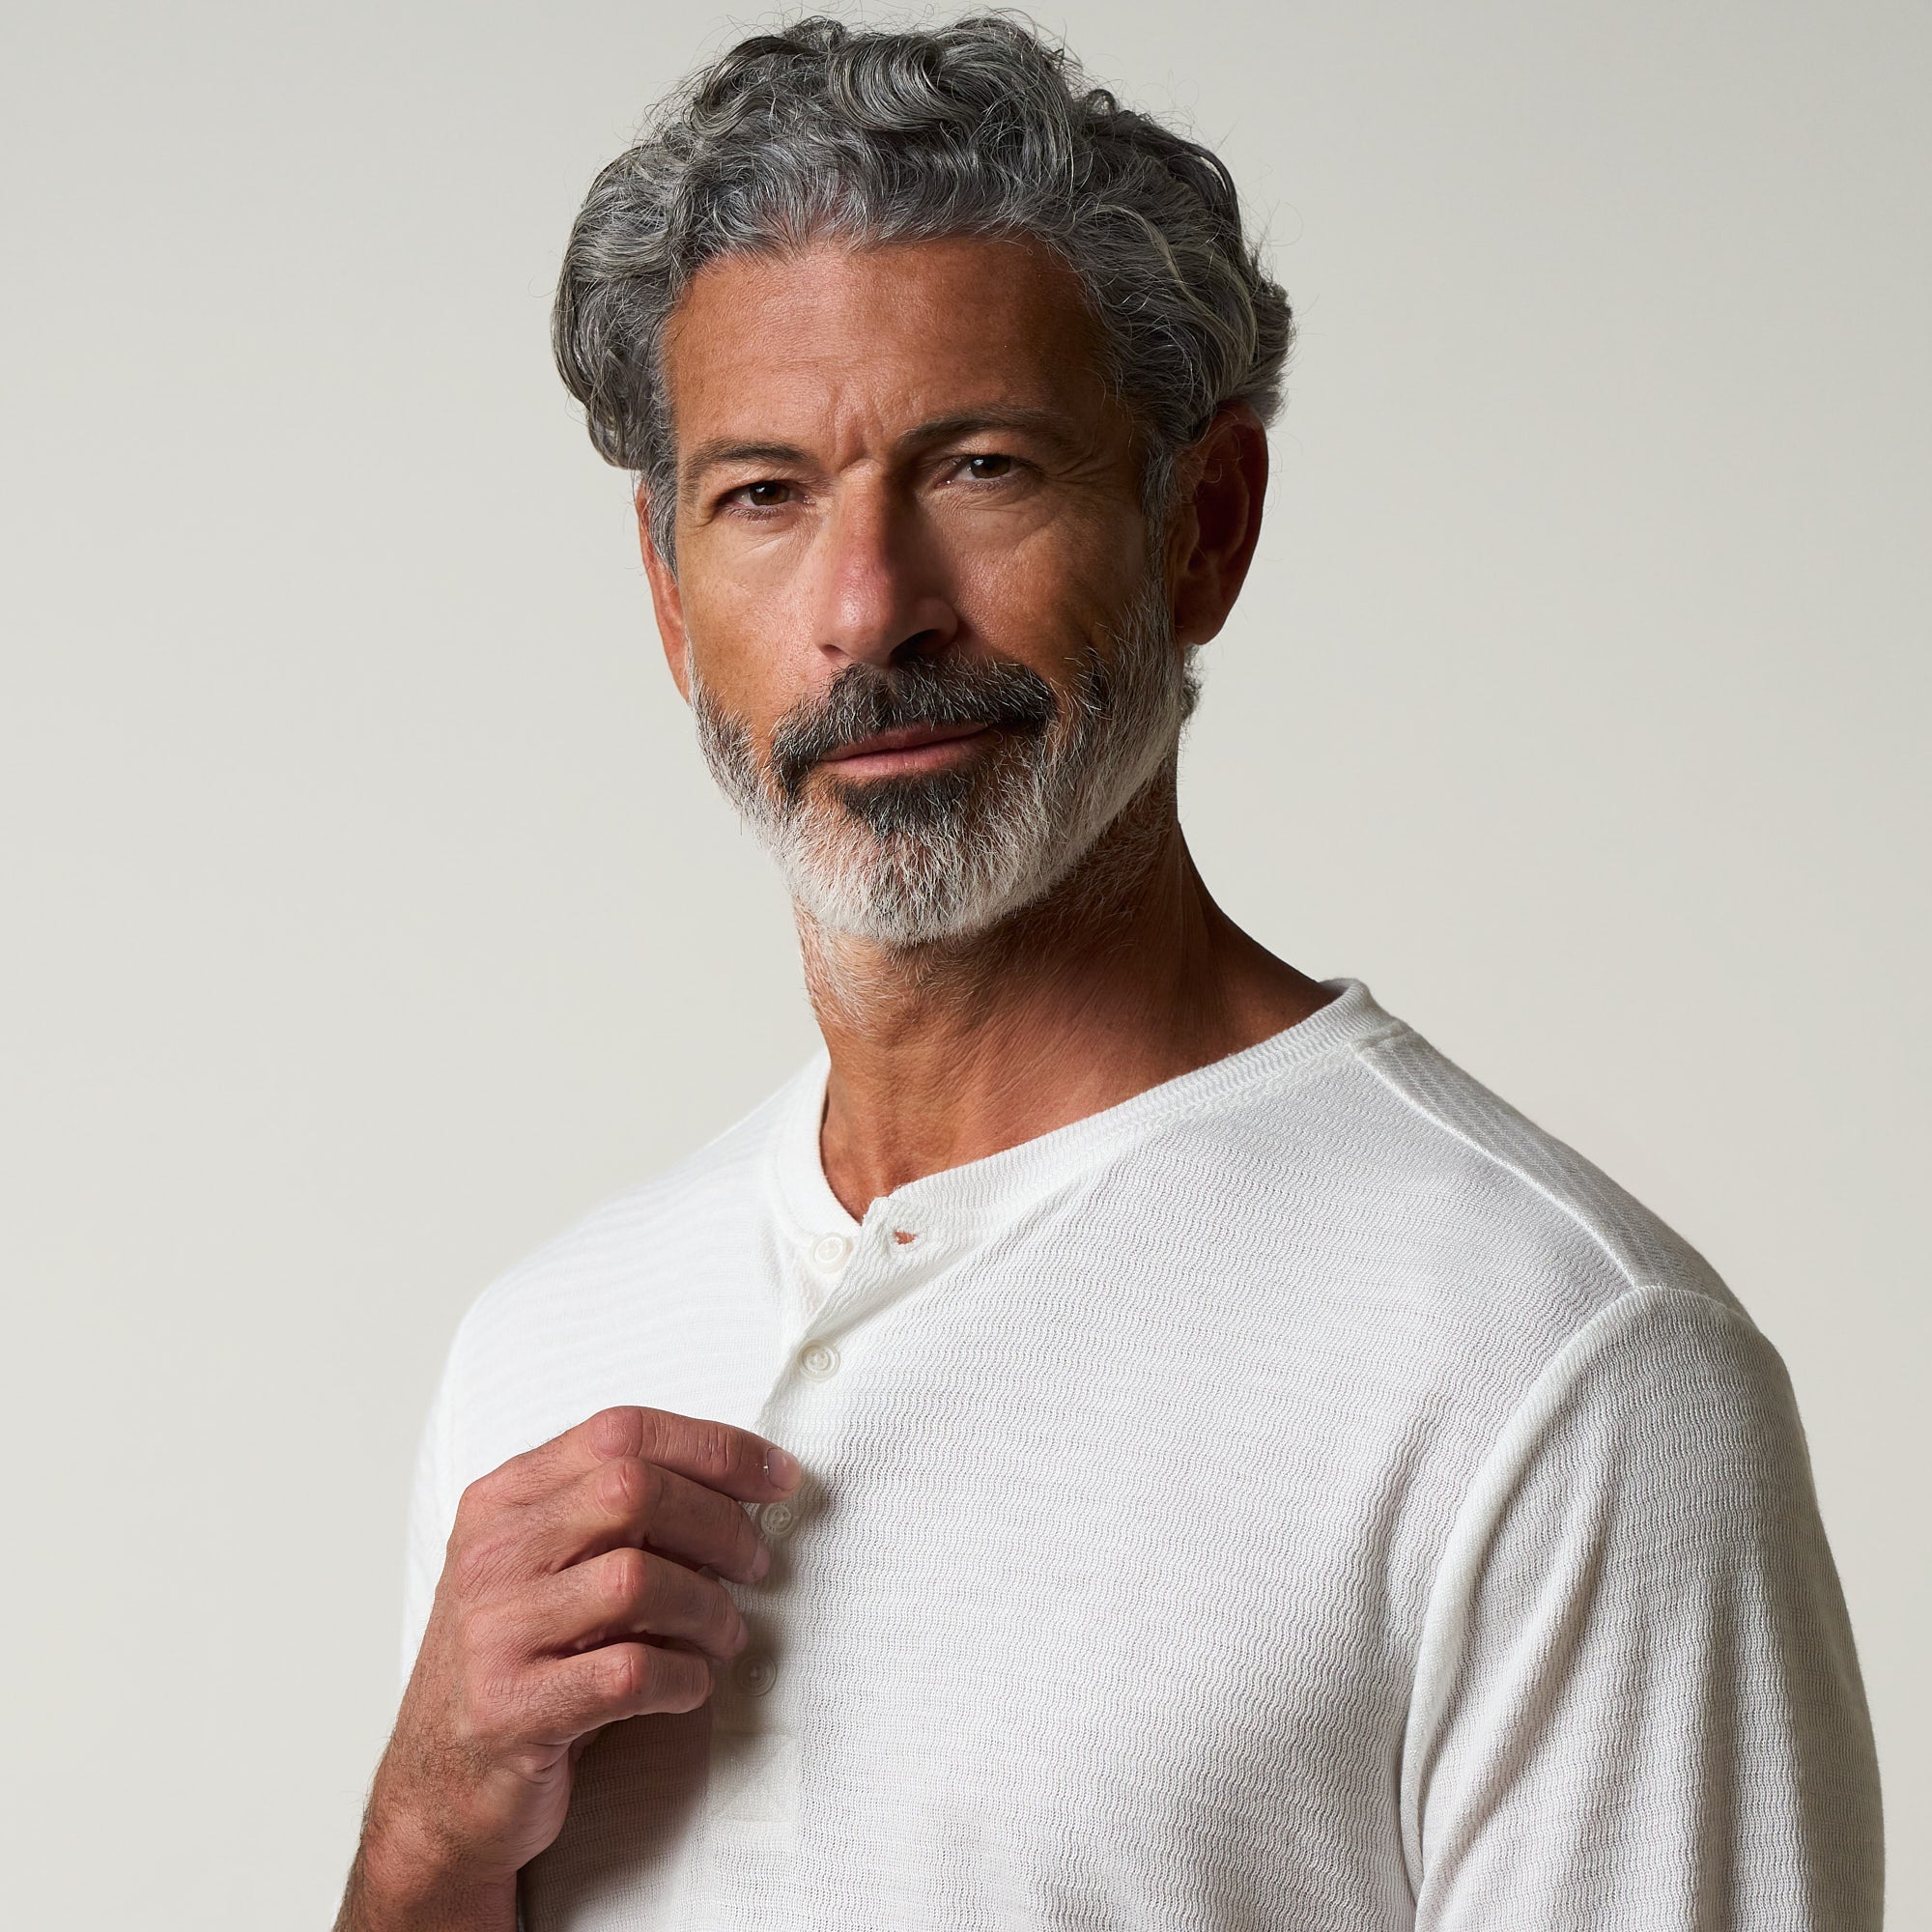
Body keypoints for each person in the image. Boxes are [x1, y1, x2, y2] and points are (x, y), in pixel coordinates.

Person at [334, 15, 1883, 1930]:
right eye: (762, 496)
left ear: (1201, 529)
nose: (865, 608)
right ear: (666, 594)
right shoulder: (548, 1349)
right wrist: (417, 1850)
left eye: (978, 466)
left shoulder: (1545, 1362)